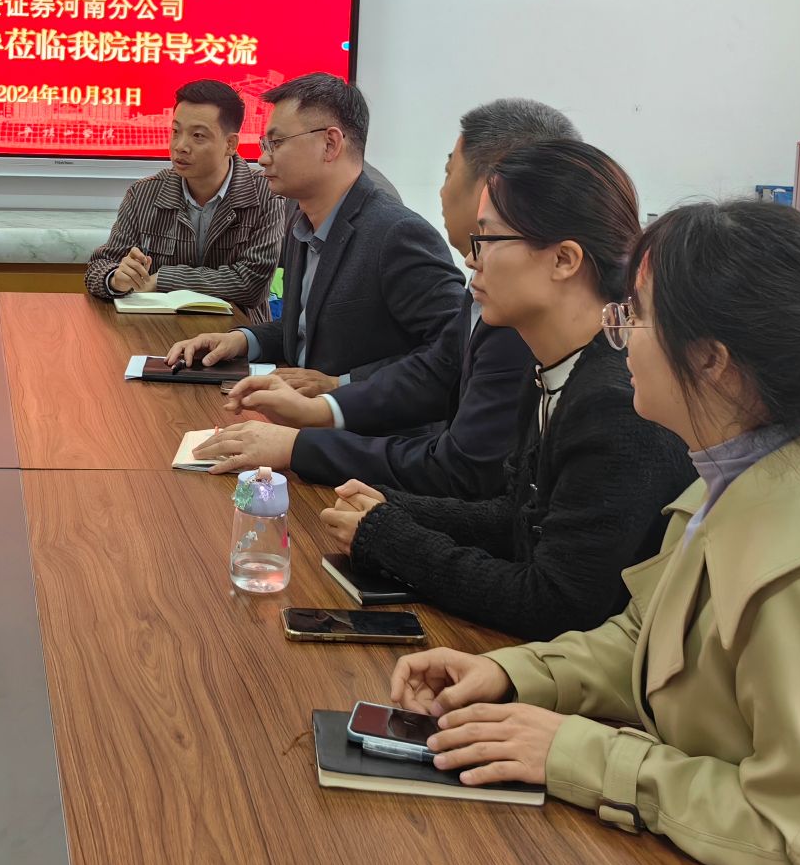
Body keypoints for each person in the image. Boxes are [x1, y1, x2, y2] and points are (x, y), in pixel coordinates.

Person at [389, 201, 800, 865]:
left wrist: (581, 755)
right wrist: (516, 673)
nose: (619, 333)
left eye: (637, 314)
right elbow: (652, 640)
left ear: (711, 360)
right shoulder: (742, 472)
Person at [314, 140, 692, 641]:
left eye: (488, 238)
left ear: (564, 259)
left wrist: (387, 536)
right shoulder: (554, 366)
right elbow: (517, 518)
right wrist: (390, 506)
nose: (473, 260)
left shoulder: (615, 403)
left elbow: (554, 603)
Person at [197, 98, 577, 495]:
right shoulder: (491, 276)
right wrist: (320, 409)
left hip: (398, 462)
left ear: (496, 184)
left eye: (449, 171)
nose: (442, 190)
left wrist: (302, 441)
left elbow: (466, 469)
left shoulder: (516, 306)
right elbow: (439, 367)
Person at [166, 72, 462, 386]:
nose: (263, 158)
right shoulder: (303, 224)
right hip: (294, 405)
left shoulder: (396, 233)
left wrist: (341, 385)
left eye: (276, 143)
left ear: (329, 144)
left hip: (362, 416)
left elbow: (456, 349)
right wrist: (241, 340)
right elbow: (307, 330)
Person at [83, 79, 286, 310]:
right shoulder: (143, 194)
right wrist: (116, 279)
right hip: (156, 326)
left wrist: (163, 279)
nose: (180, 146)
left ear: (230, 144)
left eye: (198, 135)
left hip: (238, 329)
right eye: (175, 131)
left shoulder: (267, 194)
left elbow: (252, 284)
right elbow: (99, 267)